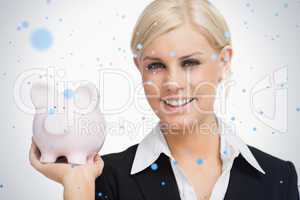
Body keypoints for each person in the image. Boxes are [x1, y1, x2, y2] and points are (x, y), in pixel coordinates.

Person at [29, 0, 300, 199]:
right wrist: (76, 183)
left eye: (190, 62)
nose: (172, 83)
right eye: (156, 65)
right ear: (139, 67)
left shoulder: (279, 178)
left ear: (224, 62)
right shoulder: (102, 177)